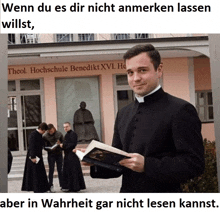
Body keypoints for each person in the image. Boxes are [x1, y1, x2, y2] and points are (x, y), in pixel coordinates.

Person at [84, 44, 205, 192]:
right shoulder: (123, 113)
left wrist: (147, 165)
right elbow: (119, 164)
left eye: (142, 70)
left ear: (159, 70)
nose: (135, 78)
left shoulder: (180, 110)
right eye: (130, 72)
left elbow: (194, 164)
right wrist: (95, 161)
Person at [21, 122, 50, 193]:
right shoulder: (33, 135)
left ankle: (41, 188)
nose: (44, 132)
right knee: (35, 173)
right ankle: (36, 188)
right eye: (44, 131)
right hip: (33, 156)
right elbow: (31, 146)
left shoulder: (39, 135)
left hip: (38, 156)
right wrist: (33, 156)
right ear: (41, 129)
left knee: (39, 172)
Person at [60, 122, 86, 192]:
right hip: (67, 155)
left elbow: (72, 144)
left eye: (67, 126)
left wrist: (63, 146)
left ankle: (75, 187)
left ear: (70, 126)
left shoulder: (73, 134)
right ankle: (69, 187)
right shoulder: (66, 135)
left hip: (72, 155)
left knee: (73, 171)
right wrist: (61, 146)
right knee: (68, 171)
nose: (65, 128)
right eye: (64, 127)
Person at [43, 123, 64, 192]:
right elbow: (44, 146)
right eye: (49, 131)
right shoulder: (45, 136)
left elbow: (63, 143)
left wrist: (60, 144)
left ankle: (62, 185)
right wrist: (50, 149)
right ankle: (50, 185)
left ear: (54, 128)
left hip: (59, 153)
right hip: (51, 154)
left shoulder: (59, 134)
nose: (50, 132)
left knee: (60, 169)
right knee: (51, 170)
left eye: (51, 130)